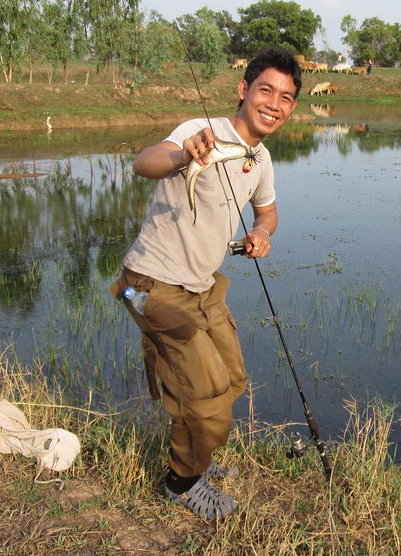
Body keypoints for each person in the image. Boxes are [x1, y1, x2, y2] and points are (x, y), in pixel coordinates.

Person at [109, 46, 301, 520]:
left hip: (201, 285)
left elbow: (268, 211)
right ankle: (181, 482)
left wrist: (260, 233)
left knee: (229, 379)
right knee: (208, 396)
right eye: (266, 91)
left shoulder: (260, 157)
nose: (275, 104)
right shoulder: (201, 133)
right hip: (149, 284)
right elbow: (145, 162)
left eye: (286, 97)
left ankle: (195, 452)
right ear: (243, 90)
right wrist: (183, 155)